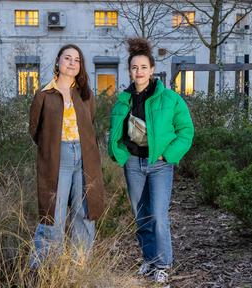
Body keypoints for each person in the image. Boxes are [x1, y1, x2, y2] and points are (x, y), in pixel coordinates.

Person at [108, 38, 194, 284]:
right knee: (141, 215)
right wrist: (120, 153)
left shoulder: (170, 99)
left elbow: (186, 131)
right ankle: (149, 258)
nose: (139, 72)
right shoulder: (123, 99)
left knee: (157, 214)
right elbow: (114, 131)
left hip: (159, 165)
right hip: (133, 164)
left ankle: (164, 263)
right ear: (130, 71)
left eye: (144, 67)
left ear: (152, 69)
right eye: (135, 68)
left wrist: (168, 155)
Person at [28, 44, 105, 269]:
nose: (72, 63)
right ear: (58, 62)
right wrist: (51, 149)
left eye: (77, 60)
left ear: (80, 66)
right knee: (54, 213)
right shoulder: (44, 94)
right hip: (57, 158)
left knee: (85, 211)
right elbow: (35, 129)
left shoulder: (86, 94)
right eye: (67, 58)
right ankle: (45, 269)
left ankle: (78, 267)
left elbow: (89, 122)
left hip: (84, 156)